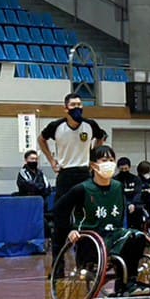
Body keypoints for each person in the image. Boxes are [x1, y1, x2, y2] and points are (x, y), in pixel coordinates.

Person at [55, 146, 150, 299]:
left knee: (138, 236)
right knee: (125, 239)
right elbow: (60, 209)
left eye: (112, 160)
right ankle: (126, 284)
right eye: (104, 160)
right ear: (94, 165)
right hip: (91, 239)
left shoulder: (118, 187)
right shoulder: (82, 189)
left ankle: (128, 283)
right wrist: (70, 230)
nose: (109, 164)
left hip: (114, 235)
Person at [39, 93, 108, 240]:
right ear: (66, 109)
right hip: (65, 173)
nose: (77, 107)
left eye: (79, 104)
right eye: (73, 105)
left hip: (84, 173)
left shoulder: (90, 125)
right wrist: (51, 161)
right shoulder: (56, 126)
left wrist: (92, 157)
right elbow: (41, 139)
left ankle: (86, 246)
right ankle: (60, 250)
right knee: (61, 211)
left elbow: (101, 136)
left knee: (87, 211)